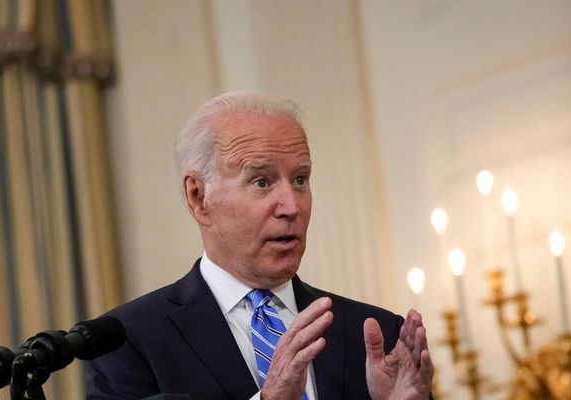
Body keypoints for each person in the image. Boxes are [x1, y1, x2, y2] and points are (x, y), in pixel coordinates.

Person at [85, 92, 433, 400]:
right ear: (198, 196)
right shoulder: (129, 341)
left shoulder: (377, 333)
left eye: (300, 179)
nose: (292, 206)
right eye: (262, 182)